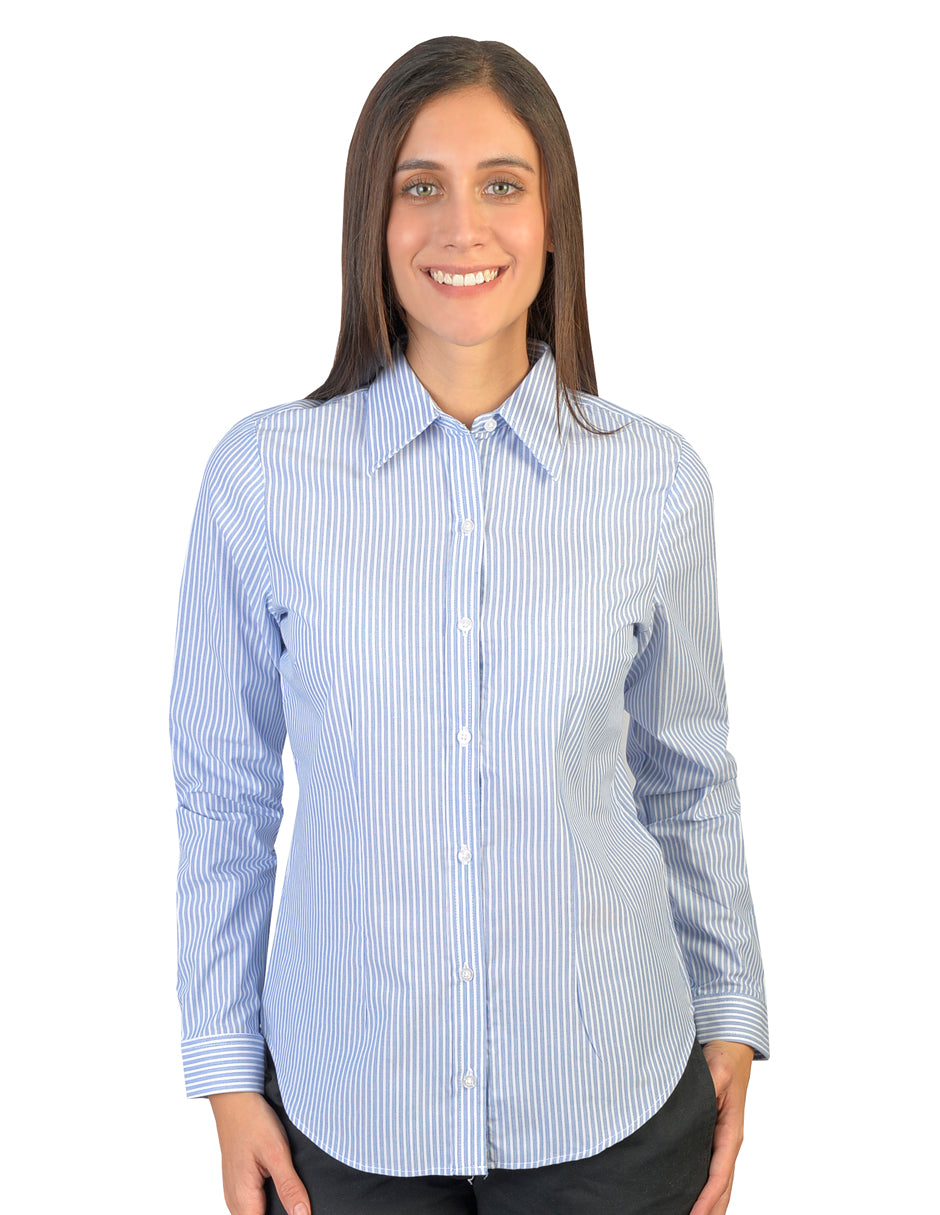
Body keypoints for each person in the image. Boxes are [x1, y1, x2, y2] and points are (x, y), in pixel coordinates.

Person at [171, 35, 768, 1215]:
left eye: (501, 184)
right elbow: (222, 793)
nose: (461, 227)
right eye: (419, 186)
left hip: (612, 1102)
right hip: (345, 1112)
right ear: (373, 220)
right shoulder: (261, 481)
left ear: (551, 223)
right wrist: (227, 1075)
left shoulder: (656, 484)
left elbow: (688, 775)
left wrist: (732, 1015)